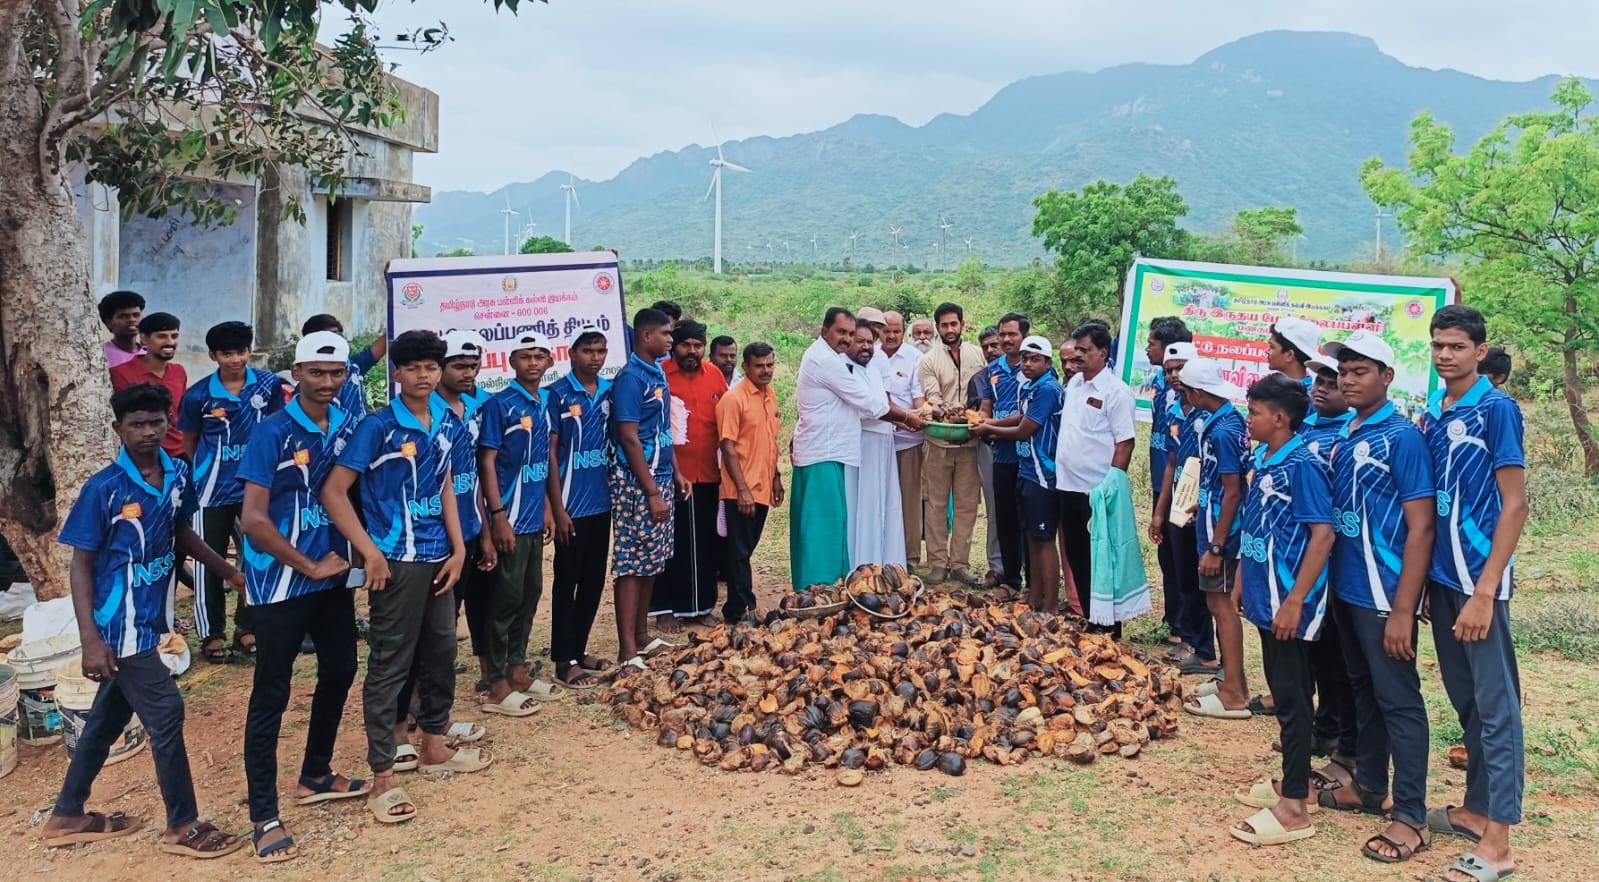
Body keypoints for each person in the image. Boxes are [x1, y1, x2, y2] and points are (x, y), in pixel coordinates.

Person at [42, 383, 246, 860]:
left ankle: (68, 813)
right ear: (119, 429)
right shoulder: (104, 488)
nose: (148, 431)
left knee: (108, 716)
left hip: (149, 617)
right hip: (118, 623)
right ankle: (182, 824)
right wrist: (91, 640)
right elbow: (81, 565)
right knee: (166, 714)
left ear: (168, 423)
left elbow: (180, 534)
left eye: (156, 422)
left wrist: (228, 572)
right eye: (136, 424)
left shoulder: (178, 474)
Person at [323, 330, 479, 824]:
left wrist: (458, 548)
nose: (424, 375)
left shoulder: (447, 422)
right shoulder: (378, 427)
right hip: (396, 559)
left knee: (442, 650)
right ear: (397, 372)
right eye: (413, 367)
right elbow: (334, 491)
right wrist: (369, 552)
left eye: (431, 367)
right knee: (391, 662)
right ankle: (383, 777)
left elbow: (448, 485)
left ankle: (433, 744)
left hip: (439, 556)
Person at [239, 332, 366, 863]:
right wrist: (307, 563)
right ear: (297, 374)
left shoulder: (345, 425)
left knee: (340, 668)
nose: (328, 382)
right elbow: (252, 519)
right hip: (279, 584)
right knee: (272, 691)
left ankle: (315, 772)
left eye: (336, 374)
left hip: (331, 578)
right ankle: (263, 816)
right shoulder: (271, 432)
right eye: (317, 373)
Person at [1420, 306, 1528, 882]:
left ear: (1479, 352)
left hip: (1478, 583)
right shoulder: (1440, 412)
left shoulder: (1496, 409)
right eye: (1438, 345)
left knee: (1496, 709)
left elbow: (1514, 502)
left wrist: (1485, 590)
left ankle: (1499, 847)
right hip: (1442, 581)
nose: (1445, 355)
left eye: (1457, 346)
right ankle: (1474, 809)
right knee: (1466, 701)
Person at [1320, 329, 1435, 864]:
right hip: (1346, 589)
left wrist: (1404, 609)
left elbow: (1421, 528)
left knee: (1399, 702)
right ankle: (1368, 785)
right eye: (1344, 371)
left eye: (1360, 370)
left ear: (1387, 377)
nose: (1348, 379)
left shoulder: (1402, 437)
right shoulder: (1349, 429)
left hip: (1383, 595)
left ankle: (1410, 815)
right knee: (1361, 689)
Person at [1226, 375, 1336, 847]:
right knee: (1284, 694)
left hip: (1289, 601)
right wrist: (1239, 580)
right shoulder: (1265, 457)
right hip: (1263, 595)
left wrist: (1295, 601)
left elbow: (1323, 534)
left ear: (1280, 418)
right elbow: (1259, 523)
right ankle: (1299, 786)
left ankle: (1294, 806)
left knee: (1292, 701)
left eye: (1253, 413)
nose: (1247, 420)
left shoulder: (1302, 465)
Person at [177, 321, 290, 663]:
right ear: (213, 356)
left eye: (241, 351)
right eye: (227, 353)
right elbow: (189, 441)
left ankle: (248, 627)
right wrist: (203, 474)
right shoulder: (198, 395)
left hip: (256, 487)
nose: (236, 359)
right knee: (209, 561)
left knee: (258, 556)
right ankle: (211, 635)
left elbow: (278, 427)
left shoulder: (269, 385)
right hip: (210, 491)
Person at [792, 308, 920, 586]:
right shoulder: (825, 361)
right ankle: (816, 591)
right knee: (822, 530)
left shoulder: (831, 357)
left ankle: (828, 589)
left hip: (832, 451)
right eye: (842, 333)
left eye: (851, 334)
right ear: (825, 330)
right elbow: (870, 403)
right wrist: (910, 417)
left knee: (832, 528)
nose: (847, 339)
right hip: (821, 453)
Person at [477, 332, 559, 713]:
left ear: (549, 361)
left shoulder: (543, 402)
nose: (533, 363)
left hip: (531, 516)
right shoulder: (500, 405)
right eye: (526, 356)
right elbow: (487, 461)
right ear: (512, 361)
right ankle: (494, 680)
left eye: (540, 356)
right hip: (508, 516)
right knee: (504, 600)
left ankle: (517, 667)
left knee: (529, 595)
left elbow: (539, 463)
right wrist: (497, 518)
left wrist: (545, 507)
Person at [610, 308, 687, 668]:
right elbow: (629, 437)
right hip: (637, 483)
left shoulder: (656, 372)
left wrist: (675, 472)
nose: (671, 340)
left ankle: (642, 635)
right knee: (632, 562)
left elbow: (660, 429)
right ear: (645, 336)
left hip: (660, 476)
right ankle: (627, 648)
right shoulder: (630, 378)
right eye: (666, 334)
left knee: (653, 560)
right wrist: (652, 490)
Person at [1176, 357, 1250, 714]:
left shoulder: (1223, 431)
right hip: (1209, 522)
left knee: (1222, 608)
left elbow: (1233, 490)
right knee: (1215, 605)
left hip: (1222, 534)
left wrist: (1217, 546)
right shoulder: (1221, 421)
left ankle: (1233, 692)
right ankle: (1229, 678)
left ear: (1198, 392)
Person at [1295, 352, 1358, 768]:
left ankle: (1341, 735)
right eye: (1318, 381)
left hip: (1338, 557)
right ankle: (1322, 724)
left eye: (1331, 383)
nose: (1321, 388)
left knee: (1339, 653)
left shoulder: (1347, 433)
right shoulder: (1306, 427)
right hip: (1301, 557)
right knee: (1315, 648)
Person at [1053, 321, 1134, 634]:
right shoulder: (1074, 385)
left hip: (1096, 492)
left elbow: (1125, 442)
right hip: (1067, 487)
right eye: (1076, 350)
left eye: (1085, 351)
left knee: (1102, 560)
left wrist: (1109, 487)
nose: (1077, 357)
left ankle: (1109, 627)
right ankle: (1090, 619)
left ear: (1103, 352)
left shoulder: (1116, 392)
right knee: (1077, 557)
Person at [546, 326, 615, 688]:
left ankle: (580, 650)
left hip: (600, 503)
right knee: (567, 582)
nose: (596, 357)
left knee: (592, 581)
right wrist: (556, 509)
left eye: (601, 351)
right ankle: (562, 659)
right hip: (570, 507)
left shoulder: (609, 391)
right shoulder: (557, 394)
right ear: (572, 354)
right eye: (588, 351)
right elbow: (551, 454)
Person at [974, 335, 1063, 612]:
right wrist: (992, 422)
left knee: (1044, 540)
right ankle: (1033, 597)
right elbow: (1019, 417)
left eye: (1035, 359)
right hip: (1026, 468)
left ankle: (1048, 605)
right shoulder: (1030, 386)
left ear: (1048, 363)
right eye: (1024, 359)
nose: (1027, 364)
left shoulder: (1048, 388)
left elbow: (1025, 429)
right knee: (1031, 538)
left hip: (1042, 472)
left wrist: (988, 429)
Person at [431, 331, 497, 695]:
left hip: (474, 523)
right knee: (441, 616)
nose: (468, 373)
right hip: (438, 532)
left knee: (484, 603)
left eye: (473, 366)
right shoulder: (426, 411)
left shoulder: (481, 406)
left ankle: (490, 674)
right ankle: (422, 698)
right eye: (458, 366)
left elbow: (481, 473)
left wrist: (486, 531)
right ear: (440, 368)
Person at [654, 320, 728, 629]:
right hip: (671, 473)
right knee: (671, 542)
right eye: (686, 345)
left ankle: (701, 606)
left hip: (708, 473)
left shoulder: (713, 375)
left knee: (705, 543)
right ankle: (664, 609)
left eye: (698, 345)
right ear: (675, 345)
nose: (692, 351)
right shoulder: (660, 376)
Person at [1150, 343, 1213, 669]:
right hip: (1178, 506)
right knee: (1181, 575)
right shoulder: (1175, 411)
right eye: (1169, 369)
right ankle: (1186, 637)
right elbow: (1171, 466)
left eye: (1181, 369)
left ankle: (1203, 649)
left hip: (1202, 511)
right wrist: (1161, 512)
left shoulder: (1210, 415)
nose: (1174, 375)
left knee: (1199, 581)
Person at [918, 302, 985, 584]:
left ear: (962, 324)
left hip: (970, 444)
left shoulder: (978, 355)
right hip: (938, 443)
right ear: (938, 328)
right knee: (935, 504)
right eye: (944, 325)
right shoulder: (929, 360)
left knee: (967, 505)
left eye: (953, 324)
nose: (949, 330)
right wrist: (954, 414)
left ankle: (960, 563)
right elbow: (932, 399)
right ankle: (936, 563)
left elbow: (985, 392)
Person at [718, 341, 783, 623]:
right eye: (759, 366)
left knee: (746, 549)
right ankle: (741, 609)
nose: (765, 370)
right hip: (740, 490)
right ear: (745, 367)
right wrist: (742, 490)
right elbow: (727, 446)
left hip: (762, 486)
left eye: (769, 364)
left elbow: (770, 441)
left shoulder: (770, 395)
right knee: (739, 552)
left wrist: (777, 477)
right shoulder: (734, 399)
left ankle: (737, 607)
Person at [1143, 317, 1193, 649]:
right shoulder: (1160, 383)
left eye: (1152, 343)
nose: (1147, 348)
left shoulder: (1191, 392)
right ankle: (1172, 622)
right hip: (1162, 478)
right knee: (1167, 556)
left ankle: (1188, 631)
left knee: (1183, 558)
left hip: (1184, 488)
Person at [978, 314, 1030, 596]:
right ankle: (1011, 581)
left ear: (1024, 336)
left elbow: (1028, 416)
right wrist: (981, 422)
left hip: (1027, 454)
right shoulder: (993, 369)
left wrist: (991, 426)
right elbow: (987, 405)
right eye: (1003, 334)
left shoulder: (1034, 366)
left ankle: (1036, 581)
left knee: (1030, 520)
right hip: (1000, 454)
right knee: (1005, 517)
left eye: (1012, 334)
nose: (1007, 339)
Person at [847, 322, 906, 568]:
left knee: (889, 506)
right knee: (867, 507)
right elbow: (869, 408)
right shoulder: (845, 369)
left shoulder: (872, 366)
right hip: (864, 443)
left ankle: (889, 565)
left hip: (885, 442)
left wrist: (911, 415)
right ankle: (864, 566)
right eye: (859, 341)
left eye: (870, 342)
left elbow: (885, 401)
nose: (866, 347)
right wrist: (908, 417)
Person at [879, 310, 927, 567]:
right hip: (877, 442)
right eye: (886, 330)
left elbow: (919, 398)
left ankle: (910, 557)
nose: (892, 335)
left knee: (909, 500)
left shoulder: (914, 358)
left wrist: (913, 418)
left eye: (897, 330)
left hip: (908, 441)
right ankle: (882, 551)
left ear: (903, 330)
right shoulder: (870, 356)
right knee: (880, 498)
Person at [110, 311, 188, 458]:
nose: (170, 342)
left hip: (180, 452)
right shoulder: (121, 373)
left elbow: (180, 414)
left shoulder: (179, 371)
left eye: (174, 336)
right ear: (144, 338)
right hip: (144, 454)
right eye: (161, 336)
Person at [300, 314, 387, 421]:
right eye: (329, 338)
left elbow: (386, 341)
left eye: (339, 337)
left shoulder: (353, 367)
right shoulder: (304, 390)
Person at [1268, 317, 1323, 390]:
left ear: (1289, 355)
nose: (1267, 351)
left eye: (1272, 347)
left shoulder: (1307, 397)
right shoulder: (1277, 389)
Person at [98, 290, 146, 370]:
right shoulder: (100, 355)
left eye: (136, 315)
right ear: (109, 323)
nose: (132, 320)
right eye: (123, 316)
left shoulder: (150, 353)